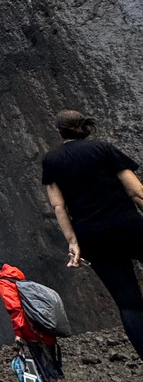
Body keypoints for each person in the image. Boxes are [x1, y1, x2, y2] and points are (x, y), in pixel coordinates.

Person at [42, 108, 143, 359]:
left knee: (129, 303)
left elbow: (58, 206)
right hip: (129, 225)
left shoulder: (51, 160)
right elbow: (136, 191)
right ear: (84, 126)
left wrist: (73, 242)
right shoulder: (103, 149)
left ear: (59, 130)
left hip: (93, 237)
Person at [0, 263, 63, 381]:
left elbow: (15, 308)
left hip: (32, 331)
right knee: (52, 365)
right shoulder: (17, 277)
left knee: (44, 369)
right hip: (44, 326)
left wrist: (19, 333)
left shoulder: (3, 282)